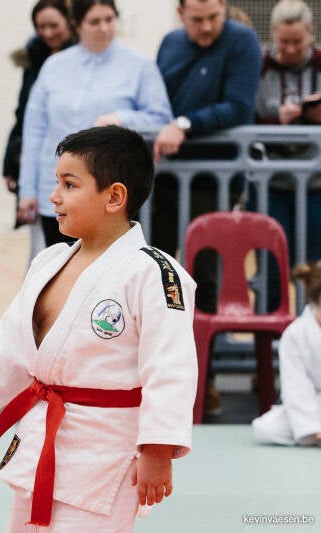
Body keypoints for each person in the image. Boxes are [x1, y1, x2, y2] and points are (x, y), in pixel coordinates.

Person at [0, 126, 198, 531]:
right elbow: (8, 345)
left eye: (69, 184)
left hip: (105, 452)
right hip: (42, 439)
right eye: (56, 183)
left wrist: (157, 447)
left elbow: (171, 366)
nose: (54, 196)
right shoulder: (49, 262)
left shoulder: (155, 273)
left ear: (114, 197)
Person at [152, 0, 261, 415]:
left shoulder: (242, 41)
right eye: (197, 19)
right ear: (180, 12)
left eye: (215, 17)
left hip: (213, 180)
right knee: (154, 276)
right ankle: (154, 379)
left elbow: (239, 106)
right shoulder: (170, 44)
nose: (207, 27)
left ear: (225, 9)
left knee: (205, 280)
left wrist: (184, 125)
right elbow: (156, 104)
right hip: (163, 179)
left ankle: (205, 381)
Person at [17, 0, 172, 248]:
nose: (104, 28)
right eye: (94, 22)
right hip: (57, 187)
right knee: (62, 262)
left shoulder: (140, 65)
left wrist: (122, 118)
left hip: (110, 192)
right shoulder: (54, 66)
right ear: (76, 25)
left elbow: (161, 117)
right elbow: (34, 131)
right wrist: (27, 190)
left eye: (109, 19)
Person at [251, 0, 321, 311]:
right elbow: (246, 113)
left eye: (297, 41)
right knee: (271, 264)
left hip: (317, 183)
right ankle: (269, 332)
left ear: (310, 35)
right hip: (271, 183)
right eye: (284, 42)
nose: (291, 49)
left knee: (315, 266)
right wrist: (276, 119)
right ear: (273, 35)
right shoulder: (259, 66)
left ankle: (314, 331)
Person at [4, 0, 74, 265]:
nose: (47, 32)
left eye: (53, 25)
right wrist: (10, 165)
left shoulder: (77, 60)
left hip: (64, 157)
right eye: (41, 27)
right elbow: (24, 115)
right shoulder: (34, 58)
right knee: (40, 248)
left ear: (69, 22)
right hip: (35, 158)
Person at [252, 260, 321, 447]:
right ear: (316, 299)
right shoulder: (295, 334)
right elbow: (296, 385)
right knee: (266, 428)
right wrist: (313, 430)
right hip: (312, 405)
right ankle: (310, 432)